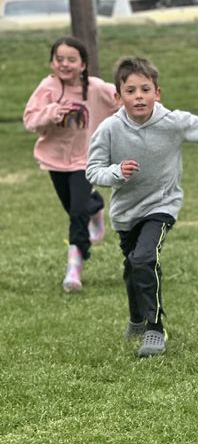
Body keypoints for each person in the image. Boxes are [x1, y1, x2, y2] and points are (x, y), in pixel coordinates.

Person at [86, 55, 198, 358]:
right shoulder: (109, 129)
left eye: (145, 89)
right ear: (118, 96)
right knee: (132, 266)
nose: (138, 96)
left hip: (162, 204)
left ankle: (155, 329)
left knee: (144, 258)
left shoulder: (174, 122)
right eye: (130, 90)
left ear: (157, 92)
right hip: (126, 212)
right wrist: (116, 173)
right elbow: (93, 170)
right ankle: (137, 320)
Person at [23, 37, 117, 292]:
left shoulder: (96, 88)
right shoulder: (48, 87)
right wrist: (52, 112)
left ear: (83, 64)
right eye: (59, 59)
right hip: (54, 159)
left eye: (71, 60)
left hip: (85, 160)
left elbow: (123, 102)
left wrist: (149, 110)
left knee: (77, 213)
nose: (65, 64)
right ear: (52, 63)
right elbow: (30, 120)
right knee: (75, 207)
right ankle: (95, 205)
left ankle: (74, 268)